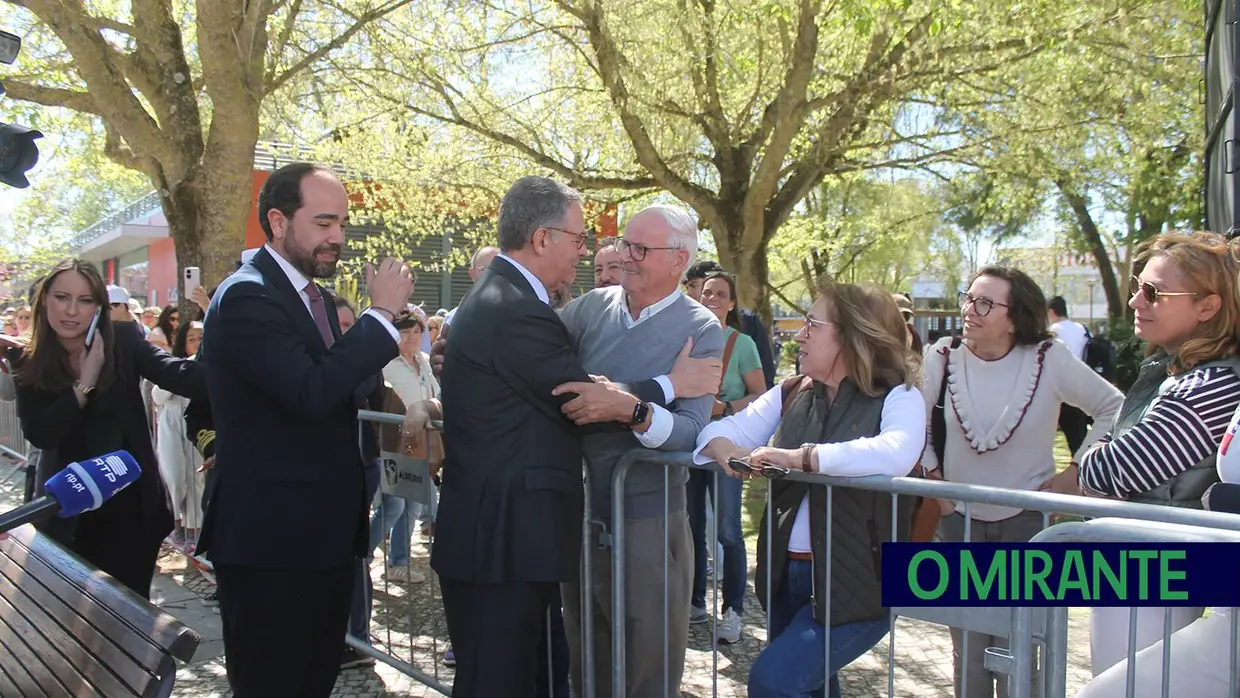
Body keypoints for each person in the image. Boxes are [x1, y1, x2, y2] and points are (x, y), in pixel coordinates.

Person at [403, 178, 691, 698]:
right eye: (579, 239)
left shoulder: (501, 298)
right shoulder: (515, 309)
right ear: (542, 238)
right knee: (498, 681)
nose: (584, 252)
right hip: (502, 541)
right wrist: (671, 385)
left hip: (499, 536)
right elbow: (582, 401)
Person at [195, 162, 413, 697]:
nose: (337, 237)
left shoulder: (309, 297)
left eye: (341, 223)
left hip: (321, 540)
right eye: (323, 223)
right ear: (277, 221)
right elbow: (310, 391)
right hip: (271, 543)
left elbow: (340, 388)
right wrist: (381, 315)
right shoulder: (247, 295)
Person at [696, 281, 926, 698]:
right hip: (787, 574)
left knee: (773, 682)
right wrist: (727, 450)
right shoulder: (792, 391)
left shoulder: (900, 395)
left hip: (862, 582)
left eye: (811, 324)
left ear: (853, 335)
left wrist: (800, 458)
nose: (799, 336)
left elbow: (896, 452)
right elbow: (718, 430)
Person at [921, 267, 1123, 698]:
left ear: (1015, 317)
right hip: (960, 524)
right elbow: (916, 425)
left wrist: (1076, 473)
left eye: (984, 303)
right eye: (968, 298)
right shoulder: (943, 355)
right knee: (969, 656)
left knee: (1021, 653)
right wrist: (937, 486)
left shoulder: (1049, 358)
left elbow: (1112, 406)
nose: (969, 310)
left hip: (1029, 527)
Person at [1077, 232, 1240, 690]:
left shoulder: (1208, 386)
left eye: (1153, 292)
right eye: (1137, 286)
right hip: (1144, 564)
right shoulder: (1177, 373)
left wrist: (1095, 459)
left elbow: (1113, 469)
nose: (1135, 301)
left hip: (1155, 569)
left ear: (1207, 307)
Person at [7, 258, 206, 598]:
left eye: (85, 300)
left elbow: (182, 376)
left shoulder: (123, 341)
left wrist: (226, 334)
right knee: (69, 613)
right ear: (44, 300)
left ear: (99, 306)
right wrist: (83, 385)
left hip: (130, 513)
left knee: (129, 613)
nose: (72, 310)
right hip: (66, 510)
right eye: (62, 297)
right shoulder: (28, 358)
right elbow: (42, 434)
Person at [688, 271, 766, 643]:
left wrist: (727, 407)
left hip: (725, 444)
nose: (712, 298)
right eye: (707, 292)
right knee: (691, 527)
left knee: (729, 530)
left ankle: (733, 610)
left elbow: (761, 394)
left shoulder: (742, 343)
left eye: (721, 294)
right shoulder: (686, 338)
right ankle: (694, 603)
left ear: (732, 303)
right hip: (689, 444)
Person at [684, 260, 776, 388]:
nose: (689, 293)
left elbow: (764, 380)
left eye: (694, 285)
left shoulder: (747, 325)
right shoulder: (683, 327)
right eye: (687, 287)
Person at [1048, 295, 1092, 453]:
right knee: (1078, 437)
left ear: (1051, 312)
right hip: (1081, 387)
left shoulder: (1052, 332)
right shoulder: (1082, 329)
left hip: (1060, 390)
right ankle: (1084, 464)